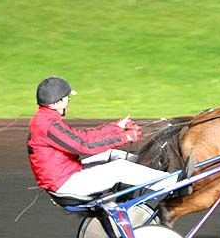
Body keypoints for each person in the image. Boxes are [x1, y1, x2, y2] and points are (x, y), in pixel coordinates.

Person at [27, 76, 187, 197]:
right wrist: (124, 137)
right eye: (67, 98)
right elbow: (85, 146)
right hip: (65, 183)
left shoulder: (45, 119)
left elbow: (83, 137)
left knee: (112, 155)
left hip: (65, 175)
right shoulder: (48, 125)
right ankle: (175, 183)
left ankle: (153, 171)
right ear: (58, 101)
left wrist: (115, 127)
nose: (68, 102)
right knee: (119, 168)